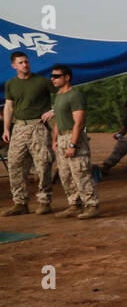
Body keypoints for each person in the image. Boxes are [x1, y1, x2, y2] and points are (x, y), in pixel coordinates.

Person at [2, 50, 55, 216]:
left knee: (43, 164)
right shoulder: (10, 84)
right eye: (21, 62)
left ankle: (44, 201)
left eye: (26, 61)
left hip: (38, 127)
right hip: (18, 128)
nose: (25, 65)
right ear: (14, 66)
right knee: (14, 164)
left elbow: (63, 92)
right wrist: (6, 128)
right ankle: (20, 202)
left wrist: (53, 110)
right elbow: (9, 106)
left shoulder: (42, 81)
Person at [48, 65, 98, 219]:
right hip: (62, 137)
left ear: (67, 77)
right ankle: (74, 205)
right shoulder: (58, 96)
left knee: (80, 172)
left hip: (73, 137)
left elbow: (79, 123)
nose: (52, 79)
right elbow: (58, 121)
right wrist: (55, 139)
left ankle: (91, 205)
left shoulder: (75, 95)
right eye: (52, 76)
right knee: (65, 174)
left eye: (56, 76)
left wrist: (72, 144)